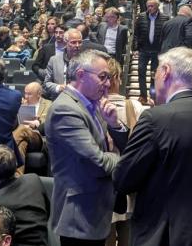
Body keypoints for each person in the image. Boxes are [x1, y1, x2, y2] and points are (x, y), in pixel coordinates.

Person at [113, 47, 192, 245]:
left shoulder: (155, 119)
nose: (155, 78)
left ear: (166, 71)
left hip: (164, 235)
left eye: (156, 72)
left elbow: (124, 179)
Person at [45, 49, 129, 245]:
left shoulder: (93, 105)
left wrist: (115, 125)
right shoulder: (65, 109)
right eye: (103, 77)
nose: (108, 84)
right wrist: (123, 160)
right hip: (79, 217)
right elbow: (97, 161)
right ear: (81, 75)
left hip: (94, 211)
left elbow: (120, 146)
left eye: (108, 78)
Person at [104, 58, 145, 246]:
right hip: (129, 179)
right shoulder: (134, 106)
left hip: (105, 178)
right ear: (118, 78)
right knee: (128, 233)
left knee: (107, 235)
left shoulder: (92, 107)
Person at [12, 81, 51, 176]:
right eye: (25, 93)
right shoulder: (20, 104)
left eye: (29, 94)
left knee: (21, 129)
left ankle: (6, 152)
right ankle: (17, 177)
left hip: (38, 137)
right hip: (23, 136)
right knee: (21, 144)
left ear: (39, 94)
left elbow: (50, 122)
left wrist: (38, 123)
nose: (26, 96)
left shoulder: (49, 104)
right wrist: (21, 107)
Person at [132, 0, 166, 101]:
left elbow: (165, 36)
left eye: (152, 6)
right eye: (148, 6)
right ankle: (143, 95)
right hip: (144, 49)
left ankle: (153, 95)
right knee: (141, 71)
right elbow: (136, 34)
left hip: (157, 50)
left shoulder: (165, 18)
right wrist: (135, 48)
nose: (149, 8)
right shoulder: (141, 17)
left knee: (154, 74)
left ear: (157, 6)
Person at [43, 28, 83, 100]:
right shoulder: (54, 60)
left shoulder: (87, 61)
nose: (77, 45)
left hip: (80, 101)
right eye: (73, 42)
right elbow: (46, 83)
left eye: (79, 42)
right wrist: (59, 88)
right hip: (59, 99)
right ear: (65, 43)